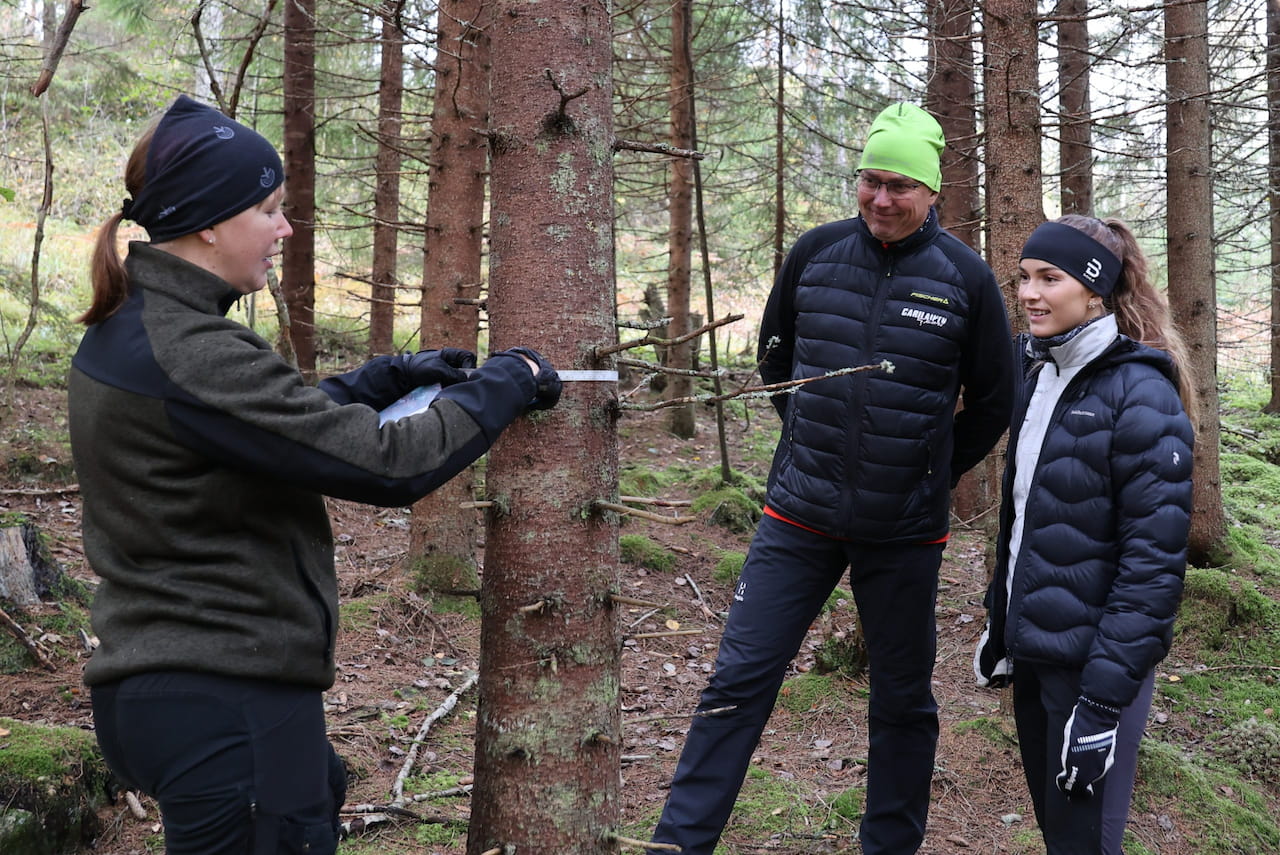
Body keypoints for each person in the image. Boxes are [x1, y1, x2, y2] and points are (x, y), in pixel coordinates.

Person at [71, 95, 560, 855]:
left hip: (179, 689)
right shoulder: (191, 349)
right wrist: (511, 379)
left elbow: (260, 428)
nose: (286, 228)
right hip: (221, 694)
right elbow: (393, 465)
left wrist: (389, 377)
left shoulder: (143, 326)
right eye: (270, 209)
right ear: (209, 221)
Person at [648, 102, 1015, 855]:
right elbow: (775, 364)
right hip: (797, 519)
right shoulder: (815, 253)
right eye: (871, 180)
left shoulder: (966, 280)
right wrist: (812, 448)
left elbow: (996, 399)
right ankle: (678, 844)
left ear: (931, 191)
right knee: (737, 681)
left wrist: (929, 469)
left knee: (902, 702)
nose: (882, 198)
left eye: (901, 185)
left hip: (905, 532)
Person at [973, 214, 1194, 854]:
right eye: (1023, 278)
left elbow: (1152, 568)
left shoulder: (1141, 394)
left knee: (1086, 843)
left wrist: (1100, 706)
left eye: (1050, 278)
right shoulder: (1042, 375)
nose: (1030, 294)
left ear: (1095, 290)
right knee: (1060, 835)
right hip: (1038, 650)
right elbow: (1027, 520)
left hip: (1095, 668)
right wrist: (1002, 623)